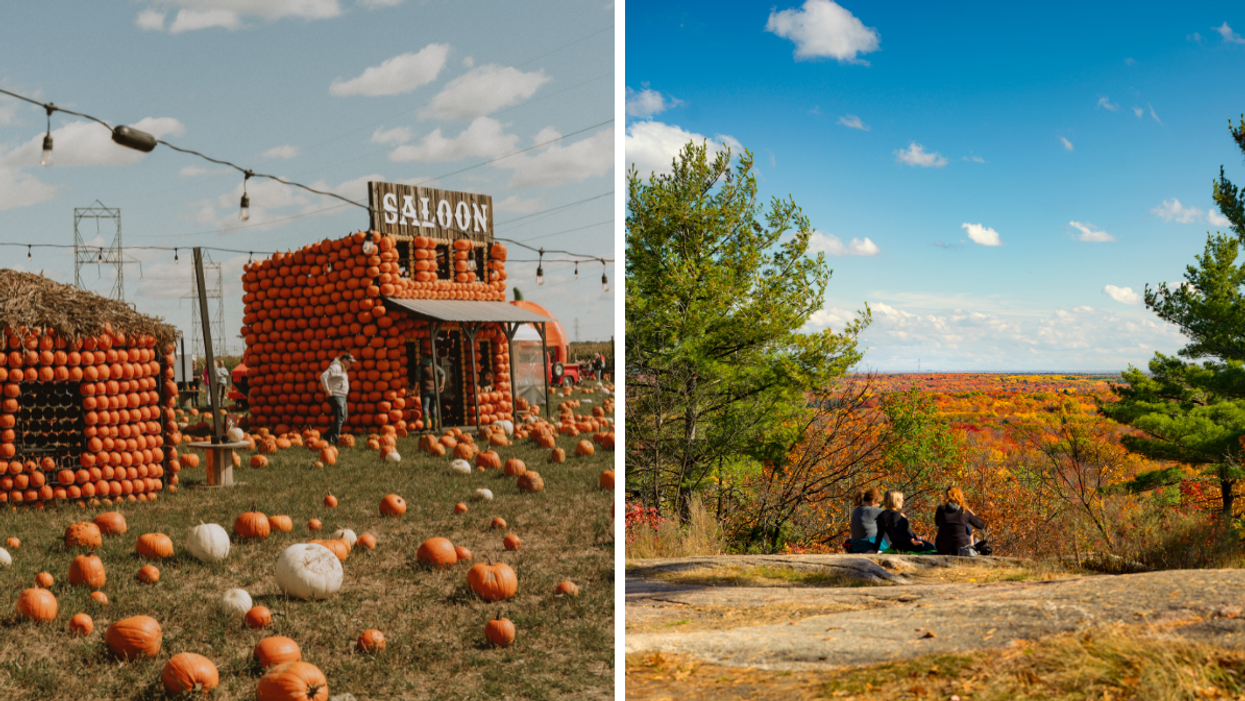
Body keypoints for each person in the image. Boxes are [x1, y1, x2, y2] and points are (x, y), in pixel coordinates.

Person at [934, 486, 988, 556]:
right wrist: (970, 511)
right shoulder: (964, 511)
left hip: (942, 548)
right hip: (961, 548)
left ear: (947, 495)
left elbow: (937, 523)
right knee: (975, 539)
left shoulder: (941, 509)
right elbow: (981, 525)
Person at [319, 352, 355, 445]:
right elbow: (323, 376)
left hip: (341, 396)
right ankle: (335, 441)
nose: (351, 364)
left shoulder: (342, 368)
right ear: (344, 360)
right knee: (339, 419)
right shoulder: (337, 367)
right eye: (350, 362)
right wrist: (327, 390)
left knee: (343, 418)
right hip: (336, 396)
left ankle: (326, 436)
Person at [847, 487, 886, 553]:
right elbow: (892, 514)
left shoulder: (857, 510)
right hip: (868, 546)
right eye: (878, 502)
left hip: (856, 547)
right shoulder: (871, 510)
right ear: (873, 501)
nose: (879, 505)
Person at [421, 356, 447, 431]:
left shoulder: (421, 367)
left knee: (425, 407)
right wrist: (442, 385)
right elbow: (443, 374)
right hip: (434, 390)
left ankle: (426, 425)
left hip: (425, 389)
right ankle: (434, 427)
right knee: (432, 408)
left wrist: (415, 388)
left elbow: (417, 378)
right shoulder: (435, 366)